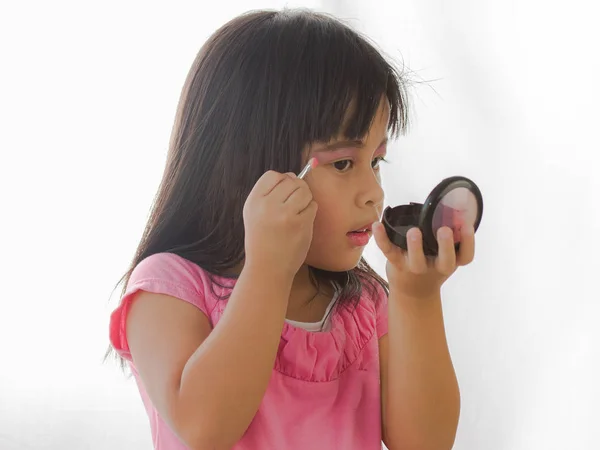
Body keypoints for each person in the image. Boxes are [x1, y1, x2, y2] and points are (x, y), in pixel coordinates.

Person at [107, 8, 476, 450]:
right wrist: (267, 270)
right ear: (254, 167)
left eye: (375, 162)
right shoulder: (169, 288)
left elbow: (425, 443)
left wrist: (417, 300)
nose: (373, 194)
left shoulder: (363, 305)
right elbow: (205, 428)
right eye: (343, 163)